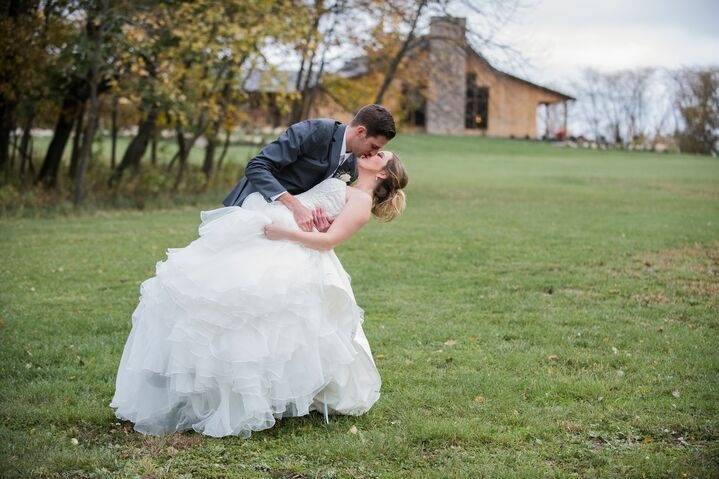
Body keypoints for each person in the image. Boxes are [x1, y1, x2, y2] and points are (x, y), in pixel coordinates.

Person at [109, 149, 409, 438]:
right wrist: (311, 223)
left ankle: (250, 397)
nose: (374, 152)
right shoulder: (345, 182)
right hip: (273, 227)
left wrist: (284, 233)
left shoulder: (360, 200)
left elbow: (328, 241)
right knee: (216, 297)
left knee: (258, 318)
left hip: (287, 243)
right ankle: (205, 391)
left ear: (383, 172)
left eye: (381, 155)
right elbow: (322, 223)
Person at [221, 104, 396, 233]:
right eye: (374, 146)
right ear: (360, 131)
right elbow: (256, 167)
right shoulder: (317, 131)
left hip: (286, 225)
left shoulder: (351, 169)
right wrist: (295, 206)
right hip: (254, 207)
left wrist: (324, 226)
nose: (373, 153)